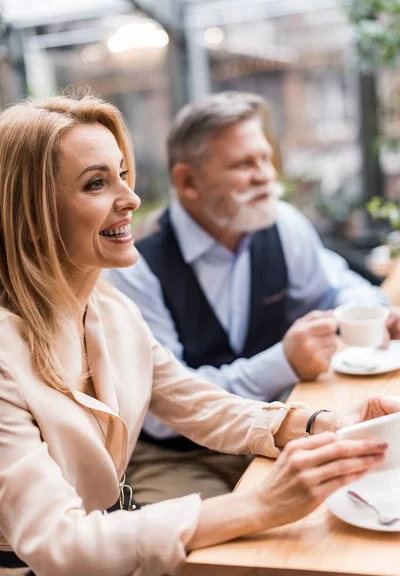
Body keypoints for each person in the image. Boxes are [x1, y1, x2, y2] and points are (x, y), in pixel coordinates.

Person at [0, 93, 397, 576]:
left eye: (123, 175)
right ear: (30, 213)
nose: (131, 200)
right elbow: (58, 543)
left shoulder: (109, 307)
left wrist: (325, 424)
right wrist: (259, 506)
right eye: (96, 184)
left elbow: (197, 402)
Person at [106, 91, 400, 505]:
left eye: (265, 159)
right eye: (244, 164)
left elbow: (335, 288)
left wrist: (376, 313)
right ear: (188, 182)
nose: (265, 175)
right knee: (217, 558)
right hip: (177, 457)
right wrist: (283, 362)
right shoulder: (133, 264)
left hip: (276, 430)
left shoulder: (280, 223)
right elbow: (160, 418)